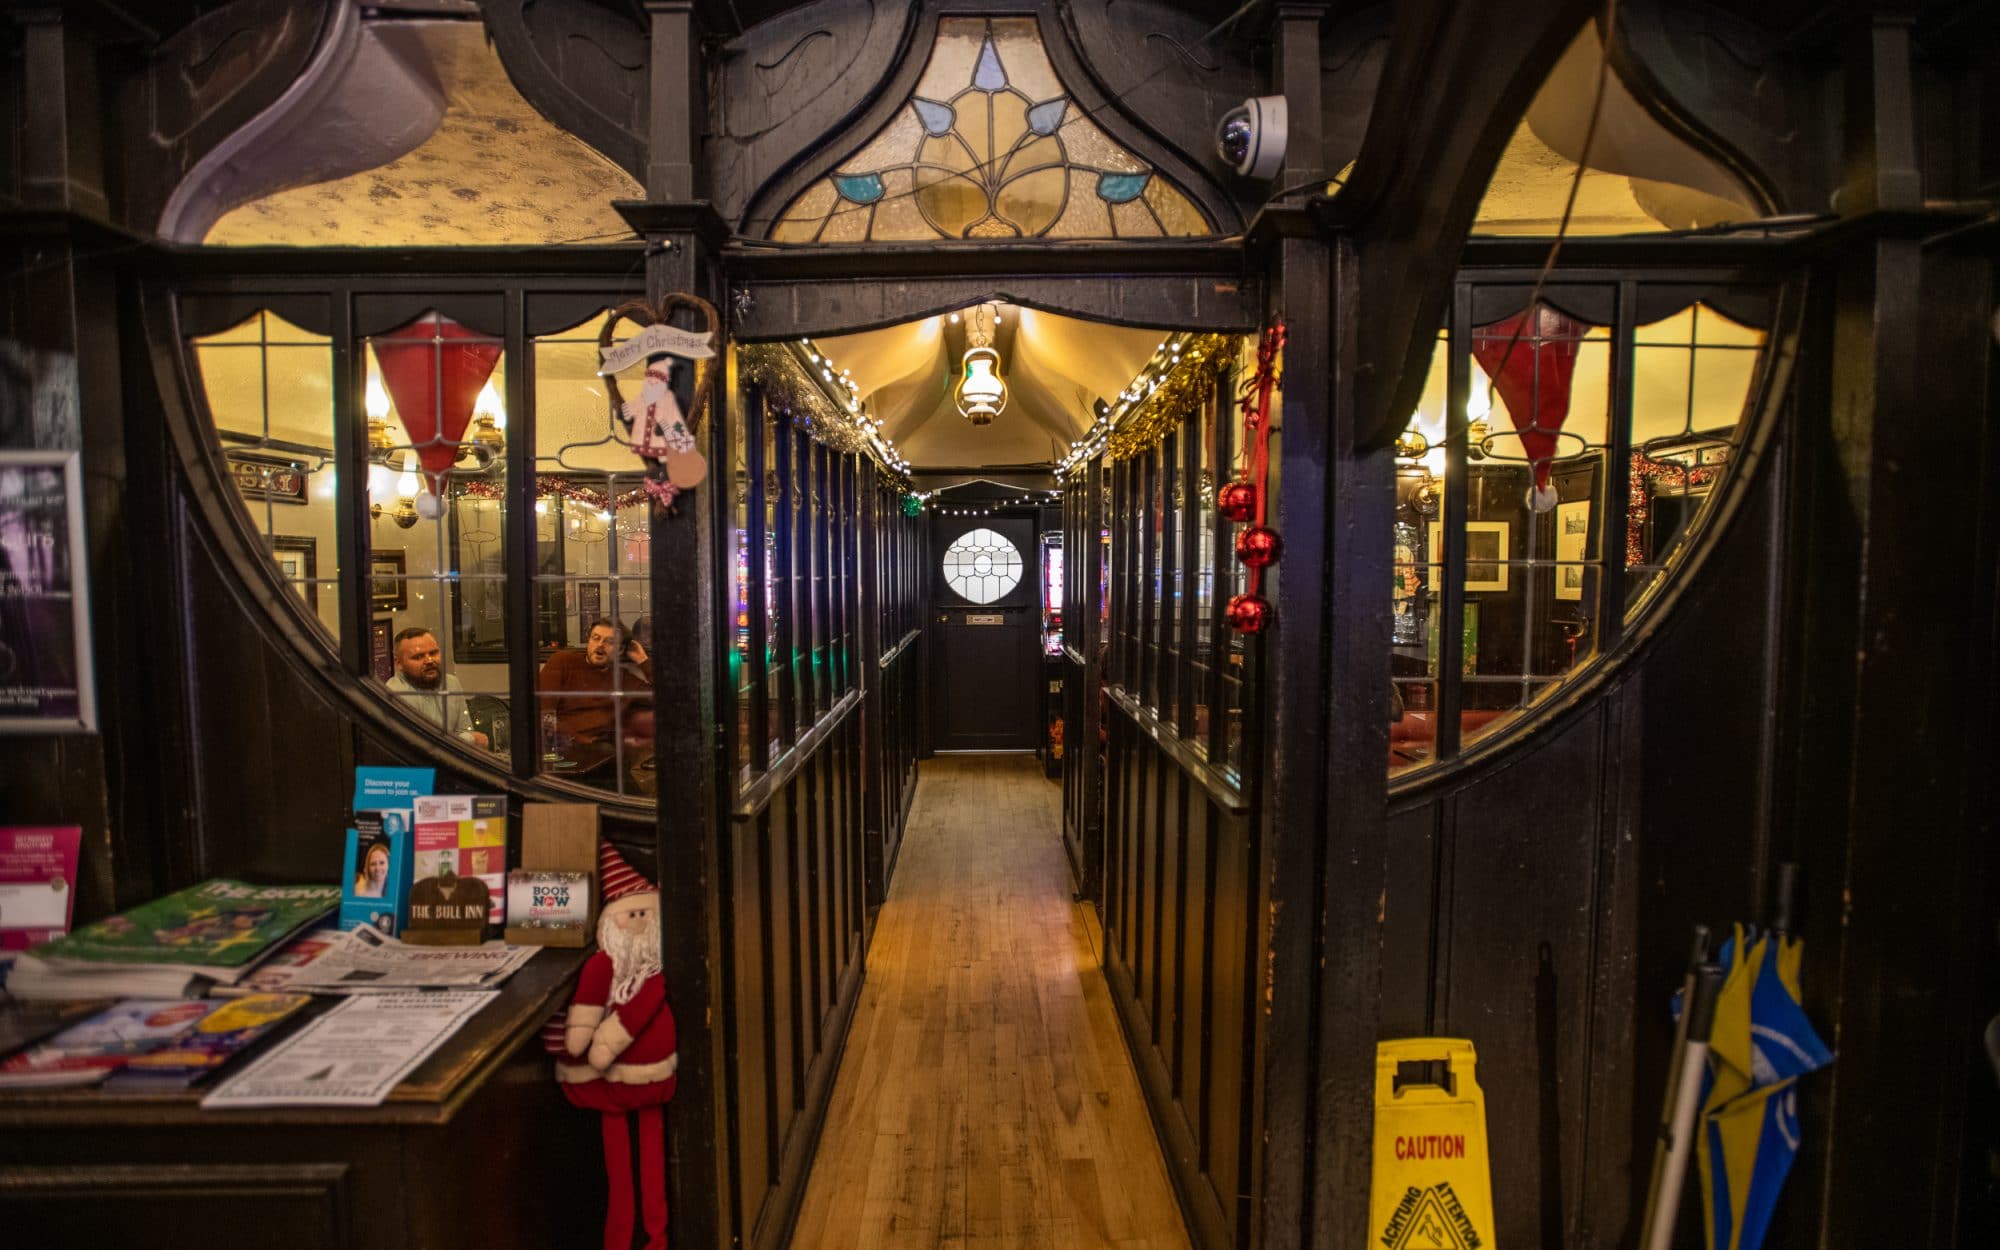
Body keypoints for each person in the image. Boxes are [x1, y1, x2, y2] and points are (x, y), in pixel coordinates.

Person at [537, 618, 653, 747]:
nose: (600, 645)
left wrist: (643, 660)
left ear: (620, 650)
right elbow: (544, 714)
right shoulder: (563, 661)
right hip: (563, 746)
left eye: (610, 642)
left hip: (603, 749)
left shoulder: (624, 679)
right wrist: (584, 742)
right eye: (595, 638)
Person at [384, 627, 489, 749]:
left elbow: (465, 730)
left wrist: (468, 738)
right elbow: (422, 747)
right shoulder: (395, 695)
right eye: (418, 657)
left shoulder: (451, 683)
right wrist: (471, 739)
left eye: (433, 653)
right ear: (399, 663)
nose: (429, 660)